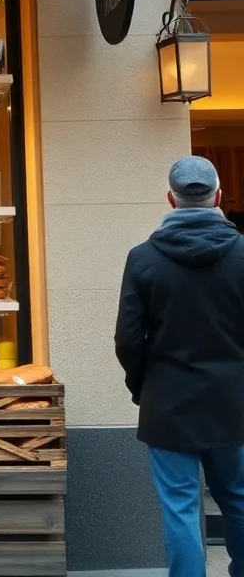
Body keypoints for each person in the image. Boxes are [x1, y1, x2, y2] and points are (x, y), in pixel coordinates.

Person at [116, 156, 244, 577]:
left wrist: (143, 387)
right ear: (219, 197)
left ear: (170, 199)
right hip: (234, 402)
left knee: (180, 508)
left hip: (168, 403)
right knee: (240, 499)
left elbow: (128, 340)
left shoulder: (143, 259)